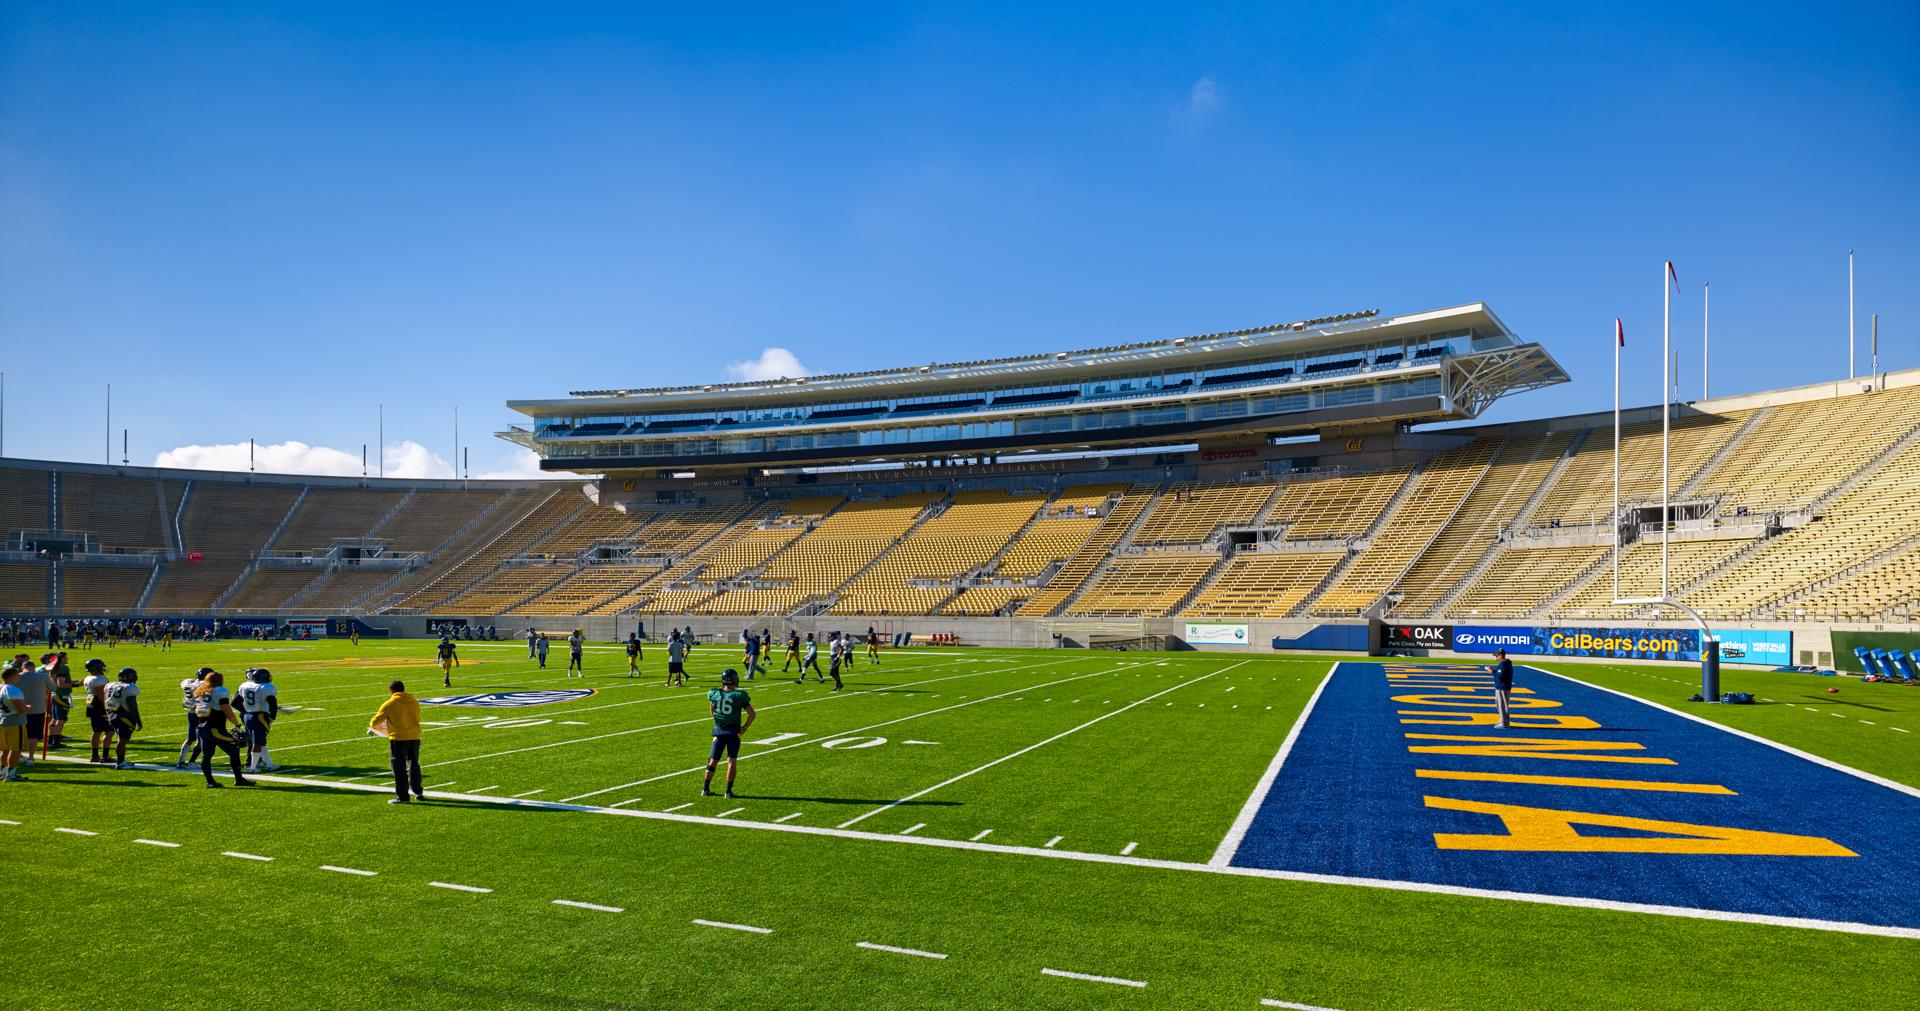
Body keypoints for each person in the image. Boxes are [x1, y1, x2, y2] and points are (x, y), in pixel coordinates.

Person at [191, 671, 251, 787]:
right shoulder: (220, 691)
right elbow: (226, 708)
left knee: (206, 755)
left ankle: (210, 782)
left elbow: (194, 708)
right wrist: (237, 724)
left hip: (202, 727)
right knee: (234, 750)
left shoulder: (201, 689)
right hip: (215, 728)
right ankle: (239, 779)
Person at [701, 669, 755, 799]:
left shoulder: (715, 693)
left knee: (713, 761)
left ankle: (705, 789)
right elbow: (752, 713)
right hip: (733, 732)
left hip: (719, 731)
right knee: (731, 761)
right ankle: (728, 792)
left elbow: (712, 710)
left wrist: (719, 722)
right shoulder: (739, 695)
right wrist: (745, 727)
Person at [369, 679, 424, 804]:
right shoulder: (413, 701)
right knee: (414, 764)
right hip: (415, 736)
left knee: (399, 768)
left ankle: (403, 796)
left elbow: (374, 722)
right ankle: (418, 791)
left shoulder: (390, 703)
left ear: (390, 690)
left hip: (399, 738)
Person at [237, 668, 280, 772]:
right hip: (260, 717)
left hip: (247, 715)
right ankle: (252, 767)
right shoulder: (267, 687)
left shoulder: (245, 685)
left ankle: (269, 764)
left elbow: (236, 701)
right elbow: (272, 704)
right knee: (257, 742)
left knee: (260, 741)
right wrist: (272, 716)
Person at [103, 667, 143, 771]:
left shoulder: (109, 685)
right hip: (123, 715)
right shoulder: (130, 687)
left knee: (121, 739)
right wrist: (138, 720)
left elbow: (106, 699)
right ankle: (120, 762)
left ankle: (121, 761)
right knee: (122, 740)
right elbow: (132, 706)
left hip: (112, 713)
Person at [17, 654, 52, 765]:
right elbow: (53, 688)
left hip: (19, 708)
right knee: (34, 735)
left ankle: (18, 755)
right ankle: (31, 757)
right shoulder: (42, 676)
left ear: (23, 667)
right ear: (34, 667)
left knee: (19, 734)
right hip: (38, 709)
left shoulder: (16, 676)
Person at [177, 667, 211, 767]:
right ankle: (191, 761)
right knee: (201, 739)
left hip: (191, 712)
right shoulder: (205, 685)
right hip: (201, 712)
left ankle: (180, 761)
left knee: (190, 738)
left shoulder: (187, 682)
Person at [81, 658, 112, 763]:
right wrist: (108, 708)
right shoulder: (99, 679)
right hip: (99, 705)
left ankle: (94, 756)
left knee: (96, 731)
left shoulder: (88, 678)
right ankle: (105, 756)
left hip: (90, 703)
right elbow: (101, 695)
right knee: (109, 731)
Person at [1, 664, 28, 782]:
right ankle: (11, 774)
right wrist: (28, 707)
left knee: (5, 749)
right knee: (15, 749)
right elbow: (21, 708)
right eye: (17, 675)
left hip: (2, 720)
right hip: (14, 721)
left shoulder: (1, 687)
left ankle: (2, 771)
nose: (19, 677)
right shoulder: (12, 689)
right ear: (12, 676)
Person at [46, 663, 73, 751]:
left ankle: (51, 740)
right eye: (66, 657)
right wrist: (76, 684)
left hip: (55, 694)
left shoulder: (52, 667)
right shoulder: (63, 667)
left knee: (54, 719)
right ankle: (56, 742)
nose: (67, 659)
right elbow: (61, 684)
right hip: (61, 696)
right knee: (61, 719)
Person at [1489, 648, 1515, 729]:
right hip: (1503, 686)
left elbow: (1500, 676)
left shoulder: (1503, 664)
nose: (1495, 657)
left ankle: (1504, 723)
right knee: (1501, 705)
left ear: (1501, 655)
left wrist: (1491, 672)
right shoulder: (1505, 663)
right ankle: (1503, 721)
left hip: (1502, 687)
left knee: (1502, 705)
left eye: (1496, 655)